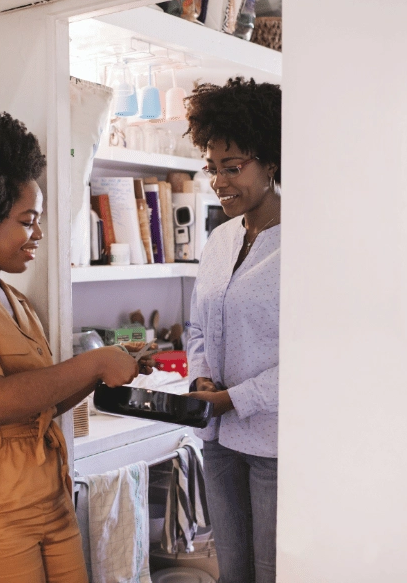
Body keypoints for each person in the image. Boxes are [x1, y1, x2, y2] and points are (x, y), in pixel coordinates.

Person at [0, 110, 143, 583]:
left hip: (46, 503)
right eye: (27, 221)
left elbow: (42, 400)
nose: (37, 234)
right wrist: (93, 361)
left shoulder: (14, 300)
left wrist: (101, 374)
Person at [183, 77, 282, 583]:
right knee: (233, 575)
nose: (219, 182)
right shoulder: (220, 239)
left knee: (271, 575)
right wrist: (202, 380)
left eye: (233, 167)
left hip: (272, 444)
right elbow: (198, 323)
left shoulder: (305, 243)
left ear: (270, 162)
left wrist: (234, 398)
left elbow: (312, 360)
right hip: (219, 439)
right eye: (213, 168)